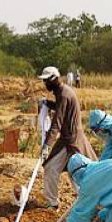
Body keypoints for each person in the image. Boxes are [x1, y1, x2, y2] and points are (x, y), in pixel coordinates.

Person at [38, 66, 97, 208]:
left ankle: (54, 203)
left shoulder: (64, 94)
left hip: (71, 140)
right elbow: (61, 108)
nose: (45, 84)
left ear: (54, 79)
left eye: (46, 81)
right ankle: (88, 204)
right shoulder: (62, 92)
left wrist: (47, 145)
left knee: (59, 169)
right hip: (70, 138)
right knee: (76, 171)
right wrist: (47, 103)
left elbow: (57, 123)